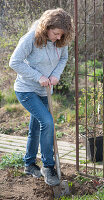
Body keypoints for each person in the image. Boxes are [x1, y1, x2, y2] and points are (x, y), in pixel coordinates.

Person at [9, 8, 73, 186]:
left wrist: (56, 75)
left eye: (62, 34)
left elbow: (64, 58)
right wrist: (38, 76)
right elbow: (14, 62)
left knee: (36, 128)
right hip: (26, 90)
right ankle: (48, 167)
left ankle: (29, 164)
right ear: (46, 27)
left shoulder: (61, 40)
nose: (59, 38)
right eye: (56, 33)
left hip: (45, 91)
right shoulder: (31, 38)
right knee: (48, 122)